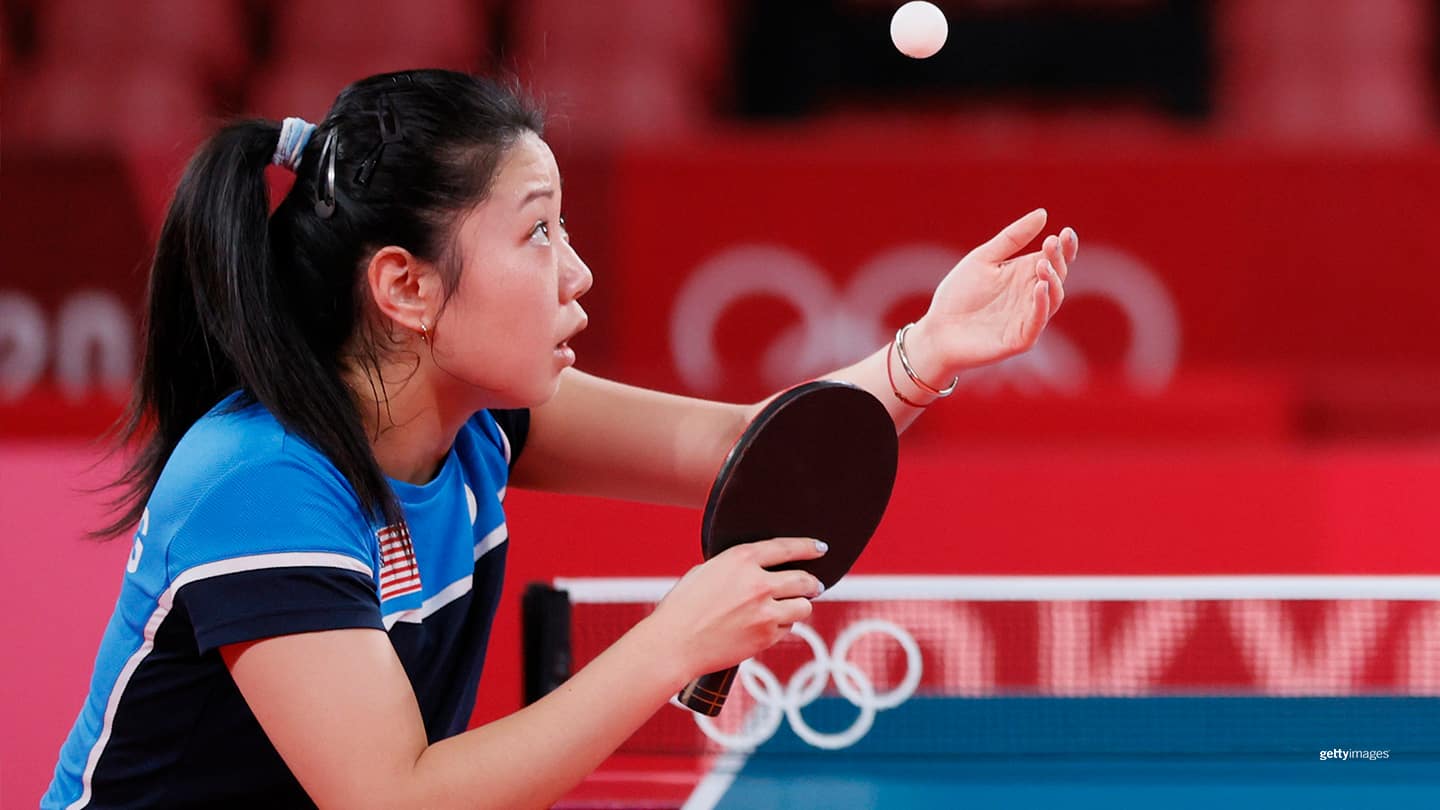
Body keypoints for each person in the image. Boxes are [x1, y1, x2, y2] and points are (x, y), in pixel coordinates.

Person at [44, 69, 1077, 809]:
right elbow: (393, 800)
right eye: (539, 232)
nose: (577, 274)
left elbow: (746, 450)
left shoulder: (477, 415)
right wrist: (673, 639)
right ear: (405, 286)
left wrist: (925, 353)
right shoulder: (262, 484)